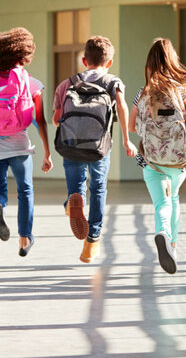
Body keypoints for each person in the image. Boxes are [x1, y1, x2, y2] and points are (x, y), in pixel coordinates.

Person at [129, 38, 186, 275]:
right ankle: (172, 245)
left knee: (162, 202)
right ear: (172, 60)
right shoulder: (183, 89)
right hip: (179, 159)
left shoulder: (142, 92)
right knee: (173, 197)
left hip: (151, 160)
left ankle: (163, 233)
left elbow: (132, 126)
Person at [52, 36, 137, 263]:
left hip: (71, 145)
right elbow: (122, 106)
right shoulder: (112, 82)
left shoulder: (66, 83)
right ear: (108, 62)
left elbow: (56, 119)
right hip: (99, 146)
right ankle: (92, 241)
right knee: (98, 188)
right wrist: (127, 141)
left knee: (77, 185)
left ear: (83, 60)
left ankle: (72, 203)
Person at [0, 27, 53, 257]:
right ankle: (25, 237)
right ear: (21, 56)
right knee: (25, 190)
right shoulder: (31, 82)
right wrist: (47, 153)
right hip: (19, 145)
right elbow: (40, 120)